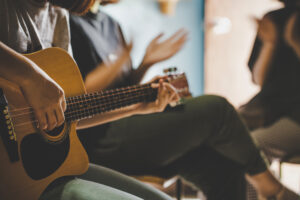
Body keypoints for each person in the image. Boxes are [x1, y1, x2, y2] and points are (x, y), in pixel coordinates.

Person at [70, 1, 300, 199]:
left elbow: (122, 88)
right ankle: (270, 187)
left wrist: (146, 63)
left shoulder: (110, 24)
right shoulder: (72, 23)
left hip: (130, 118)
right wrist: (121, 59)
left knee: (222, 165)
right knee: (217, 108)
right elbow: (80, 98)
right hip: (103, 135)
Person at [0, 0, 179, 199]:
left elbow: (67, 113)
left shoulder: (59, 14)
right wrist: (30, 76)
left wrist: (135, 106)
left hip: (39, 171)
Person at [238, 0, 300, 163]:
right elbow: (259, 80)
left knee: (249, 147)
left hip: (295, 117)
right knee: (219, 128)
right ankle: (178, 187)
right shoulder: (275, 19)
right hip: (269, 105)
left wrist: (295, 44)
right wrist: (269, 44)